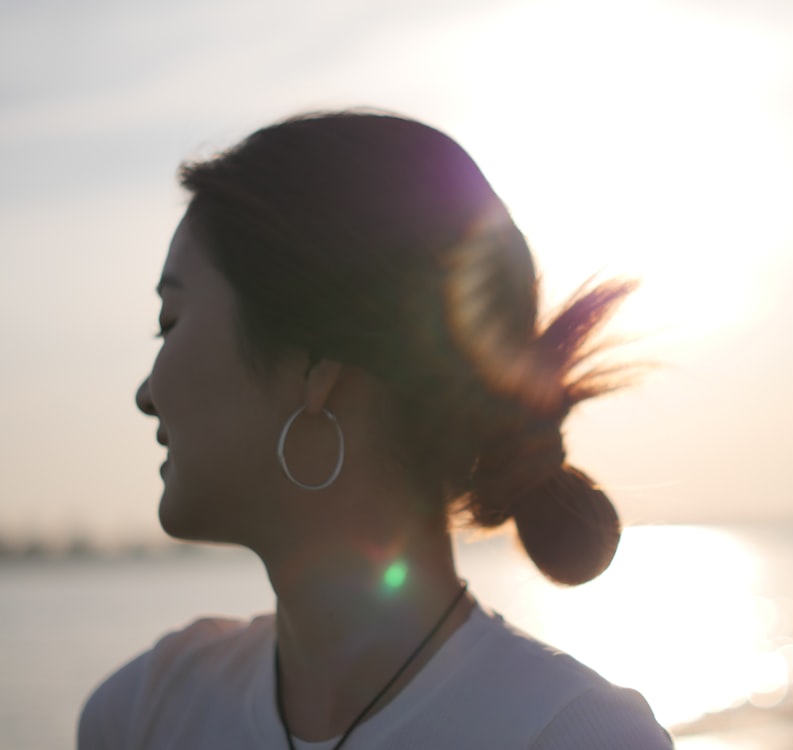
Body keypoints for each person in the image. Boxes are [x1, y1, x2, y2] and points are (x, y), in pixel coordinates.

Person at [78, 111, 673, 749]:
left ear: (313, 367)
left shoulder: (573, 737)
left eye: (170, 321)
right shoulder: (144, 716)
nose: (146, 394)